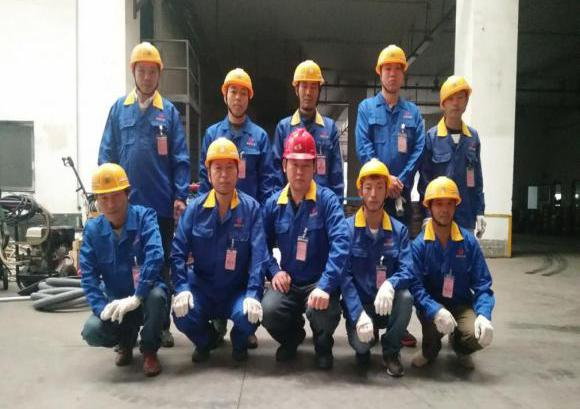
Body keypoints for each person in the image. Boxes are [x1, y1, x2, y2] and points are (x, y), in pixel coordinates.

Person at [98, 42, 191, 347]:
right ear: (134, 73)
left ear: (159, 74)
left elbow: (180, 159)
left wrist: (179, 196)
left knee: (160, 266)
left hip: (159, 205)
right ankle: (124, 330)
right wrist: (106, 196)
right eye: (142, 71)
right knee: (124, 269)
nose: (147, 77)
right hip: (124, 209)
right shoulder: (118, 109)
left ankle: (161, 326)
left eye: (152, 72)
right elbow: (107, 155)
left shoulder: (169, 113)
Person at [171, 138, 268, 362]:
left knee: (250, 315)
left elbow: (259, 257)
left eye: (229, 168)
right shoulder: (195, 210)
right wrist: (182, 288)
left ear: (238, 171)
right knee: (181, 313)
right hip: (202, 288)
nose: (224, 175)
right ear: (208, 173)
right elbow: (177, 252)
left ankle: (239, 340)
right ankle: (207, 340)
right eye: (217, 168)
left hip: (236, 289)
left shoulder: (251, 209)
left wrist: (253, 294)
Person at [198, 68, 276, 349]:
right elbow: (203, 178)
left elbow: (268, 181)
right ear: (225, 95)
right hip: (219, 217)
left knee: (248, 268)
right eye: (234, 92)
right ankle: (218, 320)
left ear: (249, 97)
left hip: (249, 218)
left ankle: (246, 324)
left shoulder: (260, 137)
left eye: (243, 93)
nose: (238, 97)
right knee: (218, 265)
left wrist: (262, 218)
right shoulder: (212, 134)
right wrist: (207, 216)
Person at [261, 128, 350, 369]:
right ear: (284, 166)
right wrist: (274, 271)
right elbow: (261, 246)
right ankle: (292, 338)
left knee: (324, 311)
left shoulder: (327, 201)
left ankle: (323, 343)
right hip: (289, 283)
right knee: (269, 310)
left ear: (314, 167)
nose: (299, 171)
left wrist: (326, 285)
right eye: (294, 164)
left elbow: (341, 244)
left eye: (305, 165)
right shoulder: (273, 205)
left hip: (319, 281)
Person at [80, 163, 168, 377]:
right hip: (116, 301)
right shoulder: (93, 230)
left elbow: (156, 255)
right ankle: (125, 342)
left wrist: (138, 296)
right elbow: (88, 275)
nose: (110, 204)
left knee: (158, 297)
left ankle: (149, 350)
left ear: (128, 194)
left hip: (145, 297)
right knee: (92, 330)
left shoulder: (145, 217)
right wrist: (101, 308)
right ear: (96, 200)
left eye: (116, 196)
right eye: (103, 198)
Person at [410, 176, 495, 369]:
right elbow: (415, 287)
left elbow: (483, 284)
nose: (445, 210)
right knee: (432, 329)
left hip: (461, 304)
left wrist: (484, 315)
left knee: (476, 336)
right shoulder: (419, 245)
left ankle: (460, 347)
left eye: (450, 203)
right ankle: (429, 351)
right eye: (439, 204)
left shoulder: (468, 242)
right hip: (432, 306)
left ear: (456, 206)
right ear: (429, 207)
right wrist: (435, 310)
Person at [341, 159, 414, 377]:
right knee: (362, 346)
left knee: (406, 298)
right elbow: (344, 277)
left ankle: (391, 351)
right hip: (361, 305)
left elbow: (408, 269)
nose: (373, 194)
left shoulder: (399, 231)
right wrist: (358, 314)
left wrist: (391, 284)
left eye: (380, 187)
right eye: (368, 188)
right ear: (360, 191)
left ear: (387, 192)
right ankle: (365, 342)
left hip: (387, 303)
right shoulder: (347, 230)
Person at [355, 44, 425, 225]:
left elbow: (419, 150)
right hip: (374, 195)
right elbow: (363, 147)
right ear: (380, 73)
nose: (392, 74)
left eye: (397, 69)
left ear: (403, 75)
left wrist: (400, 181)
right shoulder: (366, 108)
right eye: (387, 69)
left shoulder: (413, 112)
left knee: (401, 240)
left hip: (402, 194)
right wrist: (385, 179)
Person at [418, 75, 486, 236]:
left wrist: (479, 211)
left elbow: (477, 179)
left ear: (466, 102)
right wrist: (427, 213)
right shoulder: (432, 137)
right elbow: (425, 180)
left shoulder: (472, 138)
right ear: (443, 104)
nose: (456, 103)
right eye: (451, 99)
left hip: (465, 216)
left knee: (464, 252)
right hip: (438, 216)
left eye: (460, 98)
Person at [272, 60, 344, 198]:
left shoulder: (330, 129)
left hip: (322, 205)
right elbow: (276, 176)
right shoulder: (284, 128)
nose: (308, 92)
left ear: (319, 91)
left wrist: (335, 206)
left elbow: (336, 177)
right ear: (296, 90)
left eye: (313, 87)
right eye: (304, 86)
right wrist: (280, 207)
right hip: (291, 204)